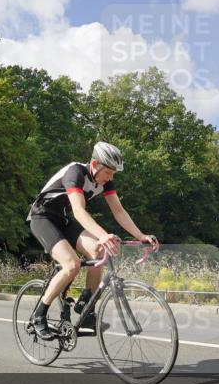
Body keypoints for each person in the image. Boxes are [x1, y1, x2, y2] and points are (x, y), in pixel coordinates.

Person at [26, 142, 158, 339]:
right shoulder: (75, 173)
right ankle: (38, 316)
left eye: (113, 174)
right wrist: (104, 235)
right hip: (41, 218)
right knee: (72, 264)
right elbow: (79, 211)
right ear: (95, 164)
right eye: (109, 173)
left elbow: (118, 211)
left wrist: (140, 236)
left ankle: (86, 307)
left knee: (97, 251)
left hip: (62, 219)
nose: (111, 178)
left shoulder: (105, 180)